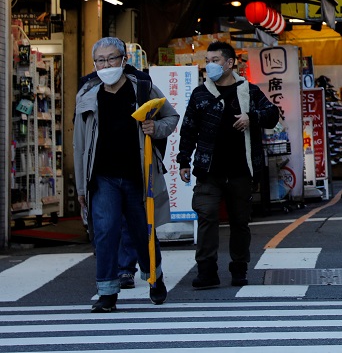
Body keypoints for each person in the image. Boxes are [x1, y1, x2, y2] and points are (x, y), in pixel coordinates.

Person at [73, 37, 178, 312]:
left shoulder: (142, 88)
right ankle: (107, 293)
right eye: (100, 60)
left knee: (143, 231)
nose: (106, 65)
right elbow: (80, 144)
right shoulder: (87, 93)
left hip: (139, 175)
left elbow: (171, 117)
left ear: (123, 60)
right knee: (105, 231)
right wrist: (81, 188)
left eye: (111, 59)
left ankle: (155, 279)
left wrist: (156, 128)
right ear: (94, 63)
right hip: (102, 176)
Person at [177, 41, 280, 289]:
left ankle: (239, 269)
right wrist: (183, 160)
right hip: (208, 170)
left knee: (239, 221)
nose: (209, 65)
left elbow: (272, 114)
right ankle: (207, 271)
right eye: (207, 60)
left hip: (241, 169)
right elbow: (188, 128)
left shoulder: (248, 91)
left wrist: (250, 117)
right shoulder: (201, 93)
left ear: (230, 62)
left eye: (215, 60)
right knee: (207, 216)